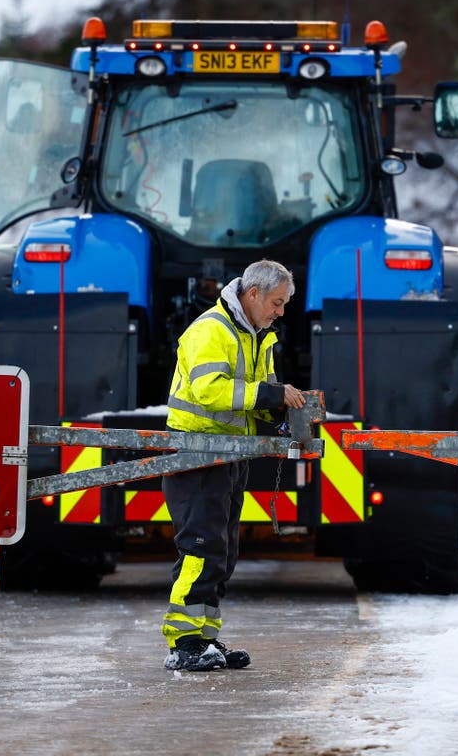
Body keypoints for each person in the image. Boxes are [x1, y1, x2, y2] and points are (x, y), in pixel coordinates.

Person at [161, 259, 306, 671]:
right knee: (200, 550)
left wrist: (280, 417)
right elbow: (210, 391)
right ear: (254, 294)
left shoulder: (258, 336)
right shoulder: (212, 330)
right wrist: (271, 395)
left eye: (285, 304)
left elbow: (253, 398)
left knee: (221, 552)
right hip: (199, 454)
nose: (281, 312)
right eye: (277, 303)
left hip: (227, 455)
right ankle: (184, 643)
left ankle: (205, 640)